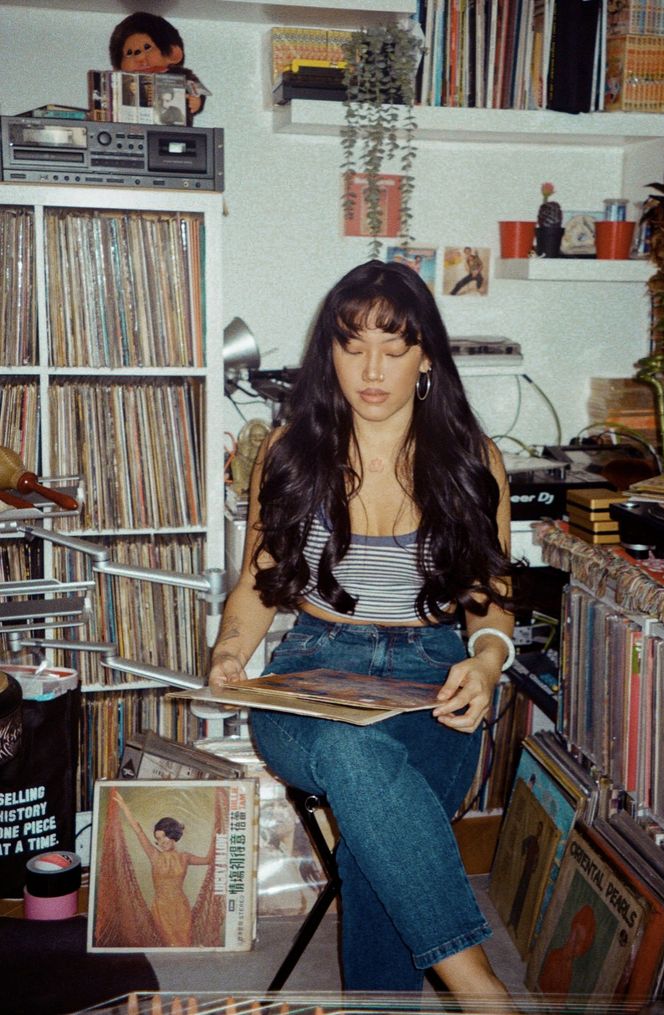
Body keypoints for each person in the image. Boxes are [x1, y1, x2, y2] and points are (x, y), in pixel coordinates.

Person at [208, 259, 522, 1003]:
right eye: (352, 346)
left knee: (376, 835)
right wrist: (229, 651)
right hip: (312, 671)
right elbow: (258, 582)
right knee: (354, 753)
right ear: (330, 355)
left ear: (425, 358)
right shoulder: (290, 454)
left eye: (393, 345)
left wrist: (485, 662)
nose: (371, 369)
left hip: (434, 680)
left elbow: (491, 600)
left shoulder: (474, 462)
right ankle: (479, 988)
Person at [112, 789, 214, 947]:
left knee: (184, 945)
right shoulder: (154, 855)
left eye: (164, 836)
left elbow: (208, 860)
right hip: (161, 910)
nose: (162, 841)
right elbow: (137, 830)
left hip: (181, 909)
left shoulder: (185, 857)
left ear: (173, 834)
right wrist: (124, 806)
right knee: (170, 947)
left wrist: (217, 835)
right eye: (158, 839)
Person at [109, 12, 207, 123]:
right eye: (129, 53)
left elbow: (198, 90)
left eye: (147, 47)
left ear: (173, 54)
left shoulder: (180, 75)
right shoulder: (123, 82)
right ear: (117, 67)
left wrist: (197, 100)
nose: (140, 57)